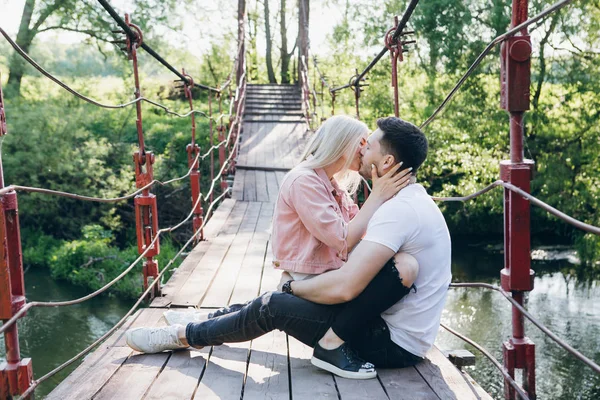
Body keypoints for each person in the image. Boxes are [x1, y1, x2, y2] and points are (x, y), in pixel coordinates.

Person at [126, 117, 451, 382]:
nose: (363, 152)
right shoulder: (404, 202)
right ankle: (199, 322)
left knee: (274, 304)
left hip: (387, 340)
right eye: (360, 144)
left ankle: (182, 335)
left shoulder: (397, 210)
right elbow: (353, 260)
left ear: (388, 161)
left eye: (370, 146)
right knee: (282, 299)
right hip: (388, 329)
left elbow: (347, 283)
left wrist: (290, 286)